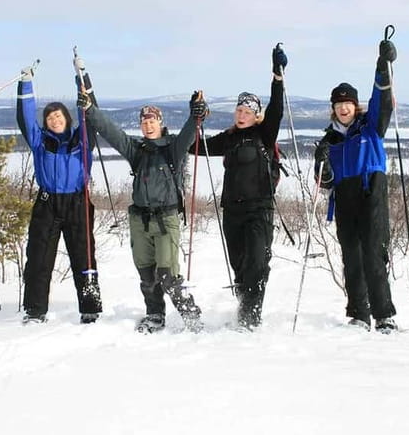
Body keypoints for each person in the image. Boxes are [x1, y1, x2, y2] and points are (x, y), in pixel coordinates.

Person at [77, 58, 208, 334]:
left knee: (168, 275)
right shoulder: (137, 151)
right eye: (143, 121)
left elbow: (188, 134)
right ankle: (155, 315)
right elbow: (111, 131)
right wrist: (89, 109)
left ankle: (191, 315)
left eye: (152, 120)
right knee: (147, 274)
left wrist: (197, 114)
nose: (147, 125)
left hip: (166, 219)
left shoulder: (172, 149)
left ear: (160, 124)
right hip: (140, 220)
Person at [189, 44, 287, 330]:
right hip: (232, 211)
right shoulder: (229, 138)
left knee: (257, 263)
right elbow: (196, 147)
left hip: (260, 210)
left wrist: (277, 77)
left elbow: (277, 110)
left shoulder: (264, 134)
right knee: (241, 265)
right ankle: (245, 305)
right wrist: (193, 118)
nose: (241, 114)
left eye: (247, 110)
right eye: (238, 109)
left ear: (256, 114)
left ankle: (250, 317)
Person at [313, 39, 399, 333]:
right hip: (345, 198)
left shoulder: (370, 126)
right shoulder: (330, 140)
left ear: (354, 105)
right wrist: (321, 161)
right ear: (333, 109)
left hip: (371, 190)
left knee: (374, 253)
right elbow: (323, 182)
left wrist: (383, 66)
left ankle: (384, 315)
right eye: (338, 104)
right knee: (351, 255)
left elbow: (382, 100)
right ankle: (359, 314)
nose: (343, 108)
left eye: (347, 103)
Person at [16, 66, 102, 324]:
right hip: (48, 203)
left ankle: (90, 309)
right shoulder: (40, 141)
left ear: (68, 118)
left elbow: (89, 111)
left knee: (84, 256)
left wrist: (82, 76)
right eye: (50, 117)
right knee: (39, 258)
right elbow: (25, 117)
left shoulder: (83, 138)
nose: (54, 120)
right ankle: (35, 310)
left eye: (59, 115)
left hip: (77, 201)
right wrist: (26, 83)